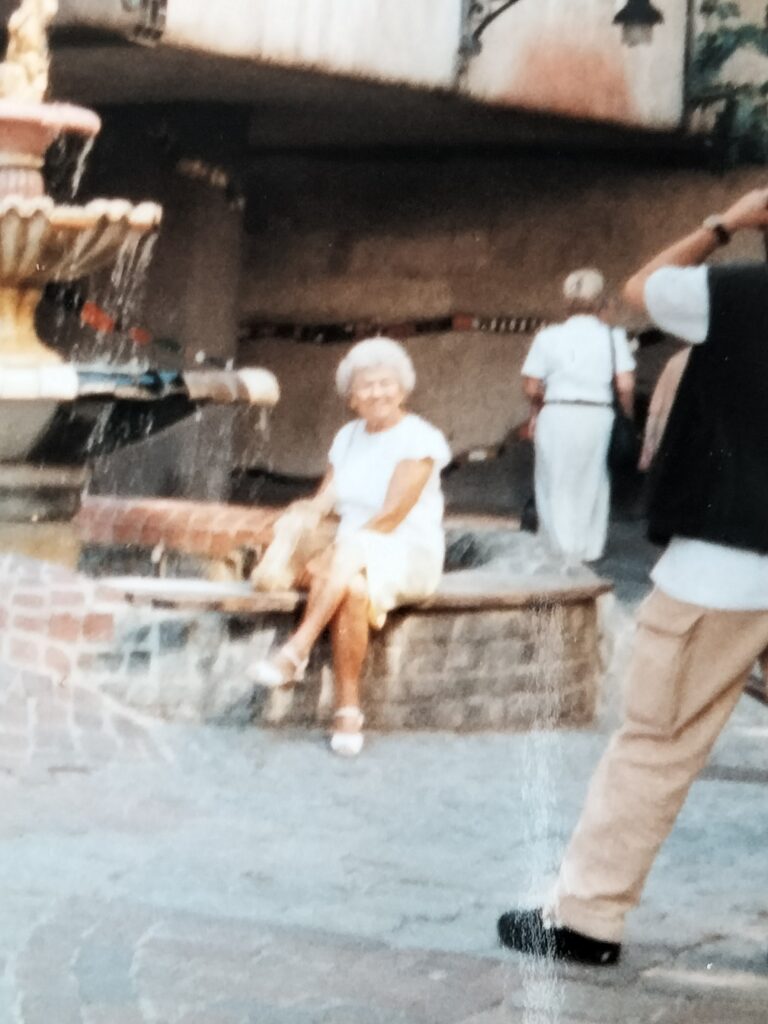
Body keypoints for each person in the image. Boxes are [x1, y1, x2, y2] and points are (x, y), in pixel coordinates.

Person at [497, 187, 768, 965]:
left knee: (656, 743)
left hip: (721, 565)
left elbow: (643, 287)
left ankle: (586, 918)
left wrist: (725, 223)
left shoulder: (736, 293)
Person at [249, 336, 451, 757]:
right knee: (354, 590)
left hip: (407, 552)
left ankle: (296, 650)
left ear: (403, 389)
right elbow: (327, 499)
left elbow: (391, 517)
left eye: (386, 383)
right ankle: (347, 711)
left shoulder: (420, 439)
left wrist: (336, 553)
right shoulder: (347, 437)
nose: (377, 393)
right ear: (351, 397)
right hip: (353, 557)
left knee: (348, 554)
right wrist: (304, 513)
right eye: (366, 386)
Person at [521, 269, 635, 563]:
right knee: (593, 477)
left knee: (554, 478)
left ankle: (558, 548)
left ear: (566, 301)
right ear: (600, 301)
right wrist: (627, 413)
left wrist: (541, 404)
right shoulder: (613, 336)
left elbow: (531, 387)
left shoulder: (547, 336)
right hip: (597, 414)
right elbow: (625, 384)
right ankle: (589, 548)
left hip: (557, 412)